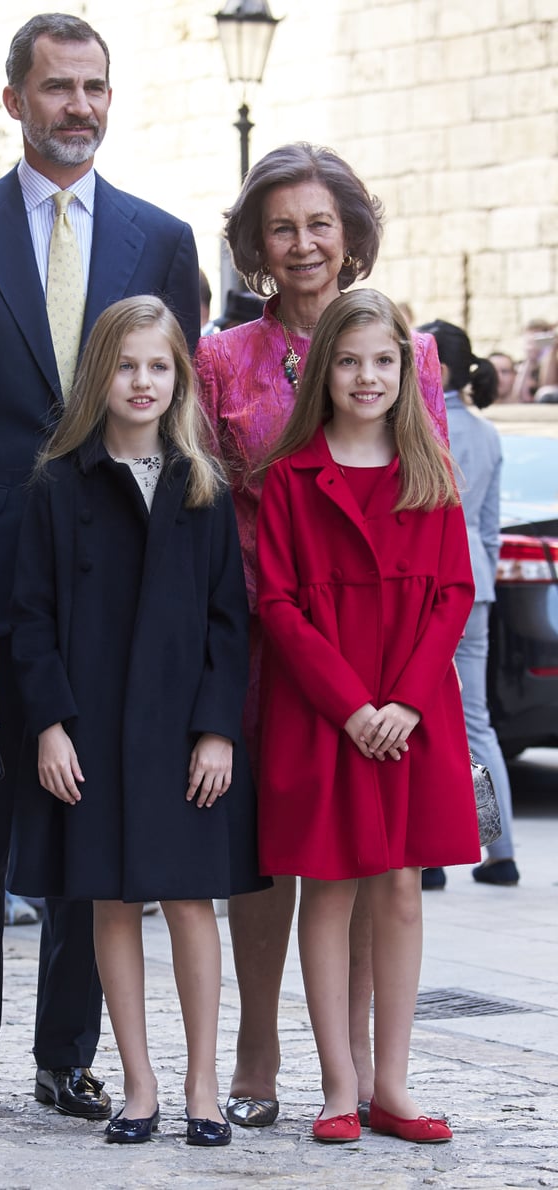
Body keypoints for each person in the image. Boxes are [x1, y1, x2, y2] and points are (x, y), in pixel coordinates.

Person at [0, 13, 200, 1120]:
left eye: (95, 87)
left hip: (113, 583)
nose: (78, 105)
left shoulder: (161, 238)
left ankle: (70, 1053)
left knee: (99, 816)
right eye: (57, 87)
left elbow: (168, 414)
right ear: (14, 100)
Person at [193, 142, 447, 1127]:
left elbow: (420, 494)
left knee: (366, 857)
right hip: (263, 630)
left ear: (351, 234)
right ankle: (258, 1051)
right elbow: (206, 504)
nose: (302, 244)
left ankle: (359, 1074)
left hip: (372, 641)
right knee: (268, 854)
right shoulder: (223, 358)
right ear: (257, 242)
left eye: (320, 224)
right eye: (282, 226)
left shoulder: (403, 349)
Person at [9, 294, 264, 1146]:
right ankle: (139, 1084)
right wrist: (50, 723)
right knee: (111, 905)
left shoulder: (204, 489)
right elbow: (32, 617)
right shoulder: (58, 485)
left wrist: (219, 729)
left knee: (191, 902)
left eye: (159, 366)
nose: (142, 381)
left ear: (180, 378)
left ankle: (200, 1084)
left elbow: (231, 621)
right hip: (92, 735)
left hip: (188, 739)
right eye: (125, 365)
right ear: (99, 376)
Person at [257, 289, 478, 1143]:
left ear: (407, 371)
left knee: (401, 890)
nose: (366, 376)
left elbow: (453, 595)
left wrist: (405, 704)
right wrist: (352, 706)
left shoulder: (430, 473)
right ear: (324, 370)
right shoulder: (290, 479)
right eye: (349, 360)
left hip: (412, 716)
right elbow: (277, 604)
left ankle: (394, 1083)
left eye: (383, 360)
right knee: (329, 887)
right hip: (326, 713)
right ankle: (338, 1087)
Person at [417, 320, 519, 888]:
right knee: (476, 722)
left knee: (426, 714)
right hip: (478, 584)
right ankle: (498, 850)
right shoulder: (487, 433)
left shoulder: (423, 428)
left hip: (434, 586)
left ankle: (431, 854)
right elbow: (488, 529)